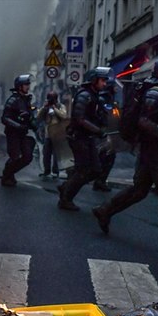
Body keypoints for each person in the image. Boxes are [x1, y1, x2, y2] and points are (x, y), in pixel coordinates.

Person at [92, 57, 158, 252]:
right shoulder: (155, 92)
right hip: (156, 149)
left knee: (139, 190)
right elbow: (145, 121)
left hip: (151, 149)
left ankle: (104, 210)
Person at [57, 67, 110, 210]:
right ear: (94, 80)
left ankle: (66, 187)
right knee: (83, 170)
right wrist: (98, 130)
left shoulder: (94, 95)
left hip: (88, 137)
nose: (105, 83)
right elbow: (80, 119)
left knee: (96, 170)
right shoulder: (84, 96)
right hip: (79, 138)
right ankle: (66, 199)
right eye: (102, 80)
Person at [0, 74, 37, 186]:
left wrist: (32, 123)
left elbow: (29, 116)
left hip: (23, 133)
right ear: (19, 86)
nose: (28, 87)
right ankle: (7, 175)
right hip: (13, 133)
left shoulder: (26, 100)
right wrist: (18, 125)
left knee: (27, 156)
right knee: (15, 157)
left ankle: (9, 173)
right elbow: (5, 118)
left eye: (28, 84)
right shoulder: (13, 100)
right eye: (26, 84)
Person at [93, 79, 119, 192]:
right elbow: (103, 115)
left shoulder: (109, 99)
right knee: (105, 158)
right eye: (114, 86)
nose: (117, 88)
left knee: (108, 158)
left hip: (109, 132)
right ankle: (99, 180)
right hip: (104, 132)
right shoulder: (103, 99)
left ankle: (100, 180)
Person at [36, 90, 67, 178]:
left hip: (57, 133)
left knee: (56, 154)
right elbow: (38, 117)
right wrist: (43, 107)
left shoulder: (61, 106)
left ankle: (55, 171)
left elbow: (64, 115)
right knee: (46, 153)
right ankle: (46, 170)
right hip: (48, 133)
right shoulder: (46, 107)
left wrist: (55, 109)